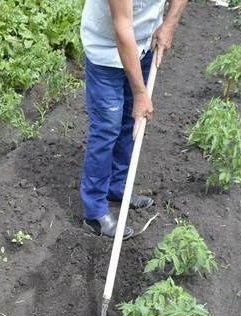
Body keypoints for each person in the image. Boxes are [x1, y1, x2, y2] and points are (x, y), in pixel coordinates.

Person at [80, 0, 188, 239]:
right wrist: (141, 94)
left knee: (130, 121)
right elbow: (122, 29)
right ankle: (94, 212)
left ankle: (118, 187)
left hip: (144, 41)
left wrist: (169, 23)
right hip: (106, 45)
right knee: (107, 127)